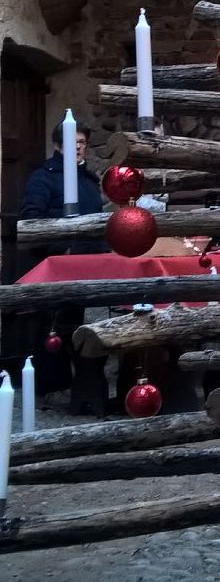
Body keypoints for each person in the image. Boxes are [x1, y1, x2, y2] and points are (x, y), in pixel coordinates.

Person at [19, 119, 106, 408]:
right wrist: (62, 244)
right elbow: (32, 219)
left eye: (82, 143)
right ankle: (52, 386)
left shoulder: (89, 180)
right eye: (72, 142)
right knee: (54, 326)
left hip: (90, 265)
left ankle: (87, 390)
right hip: (58, 264)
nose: (78, 148)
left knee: (84, 328)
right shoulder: (43, 178)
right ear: (57, 145)